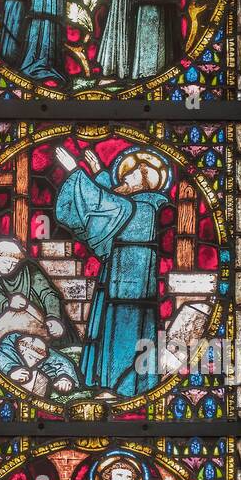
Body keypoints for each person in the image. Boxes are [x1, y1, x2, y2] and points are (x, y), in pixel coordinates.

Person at [54, 144, 172, 397]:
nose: (125, 176)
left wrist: (75, 172)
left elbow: (103, 204)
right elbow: (111, 203)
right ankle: (107, 382)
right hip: (119, 276)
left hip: (131, 286)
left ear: (144, 184)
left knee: (124, 328)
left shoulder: (142, 206)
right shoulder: (136, 205)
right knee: (114, 325)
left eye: (131, 175)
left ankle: (119, 386)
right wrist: (98, 172)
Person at [0, 237, 67, 344]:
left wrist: (53, 317)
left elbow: (47, 293)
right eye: (5, 262)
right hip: (6, 318)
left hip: (38, 319)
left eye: (14, 264)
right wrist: (8, 304)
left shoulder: (29, 268)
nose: (9, 267)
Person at [0, 330, 80, 400]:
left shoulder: (41, 350)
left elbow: (61, 360)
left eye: (37, 359)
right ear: (22, 352)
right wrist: (10, 369)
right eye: (31, 357)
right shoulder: (5, 348)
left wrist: (65, 378)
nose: (34, 362)